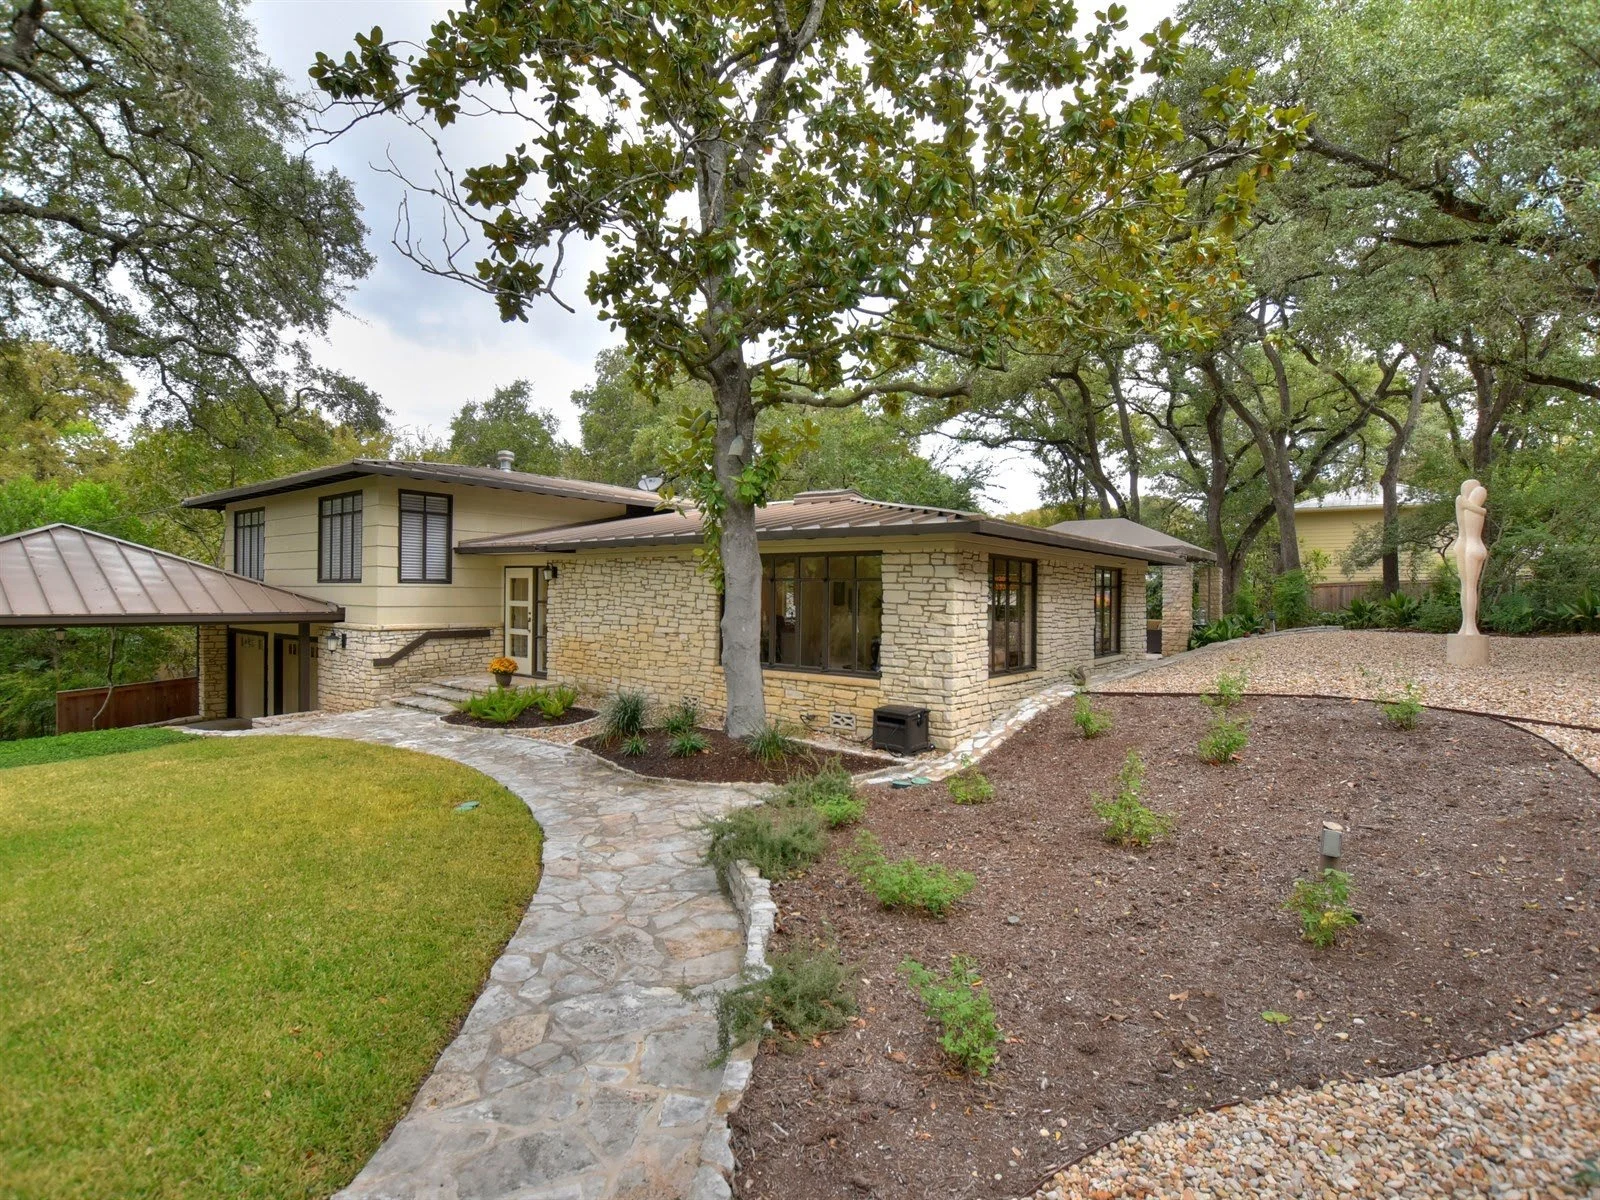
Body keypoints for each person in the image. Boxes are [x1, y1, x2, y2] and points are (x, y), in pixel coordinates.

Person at [1455, 479, 1488, 636]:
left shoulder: (1464, 502)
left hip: (1468, 547)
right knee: (1470, 587)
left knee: (1467, 587)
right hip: (1478, 545)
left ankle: (1469, 626)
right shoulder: (1467, 503)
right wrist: (1483, 511)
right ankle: (1467, 625)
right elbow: (1479, 511)